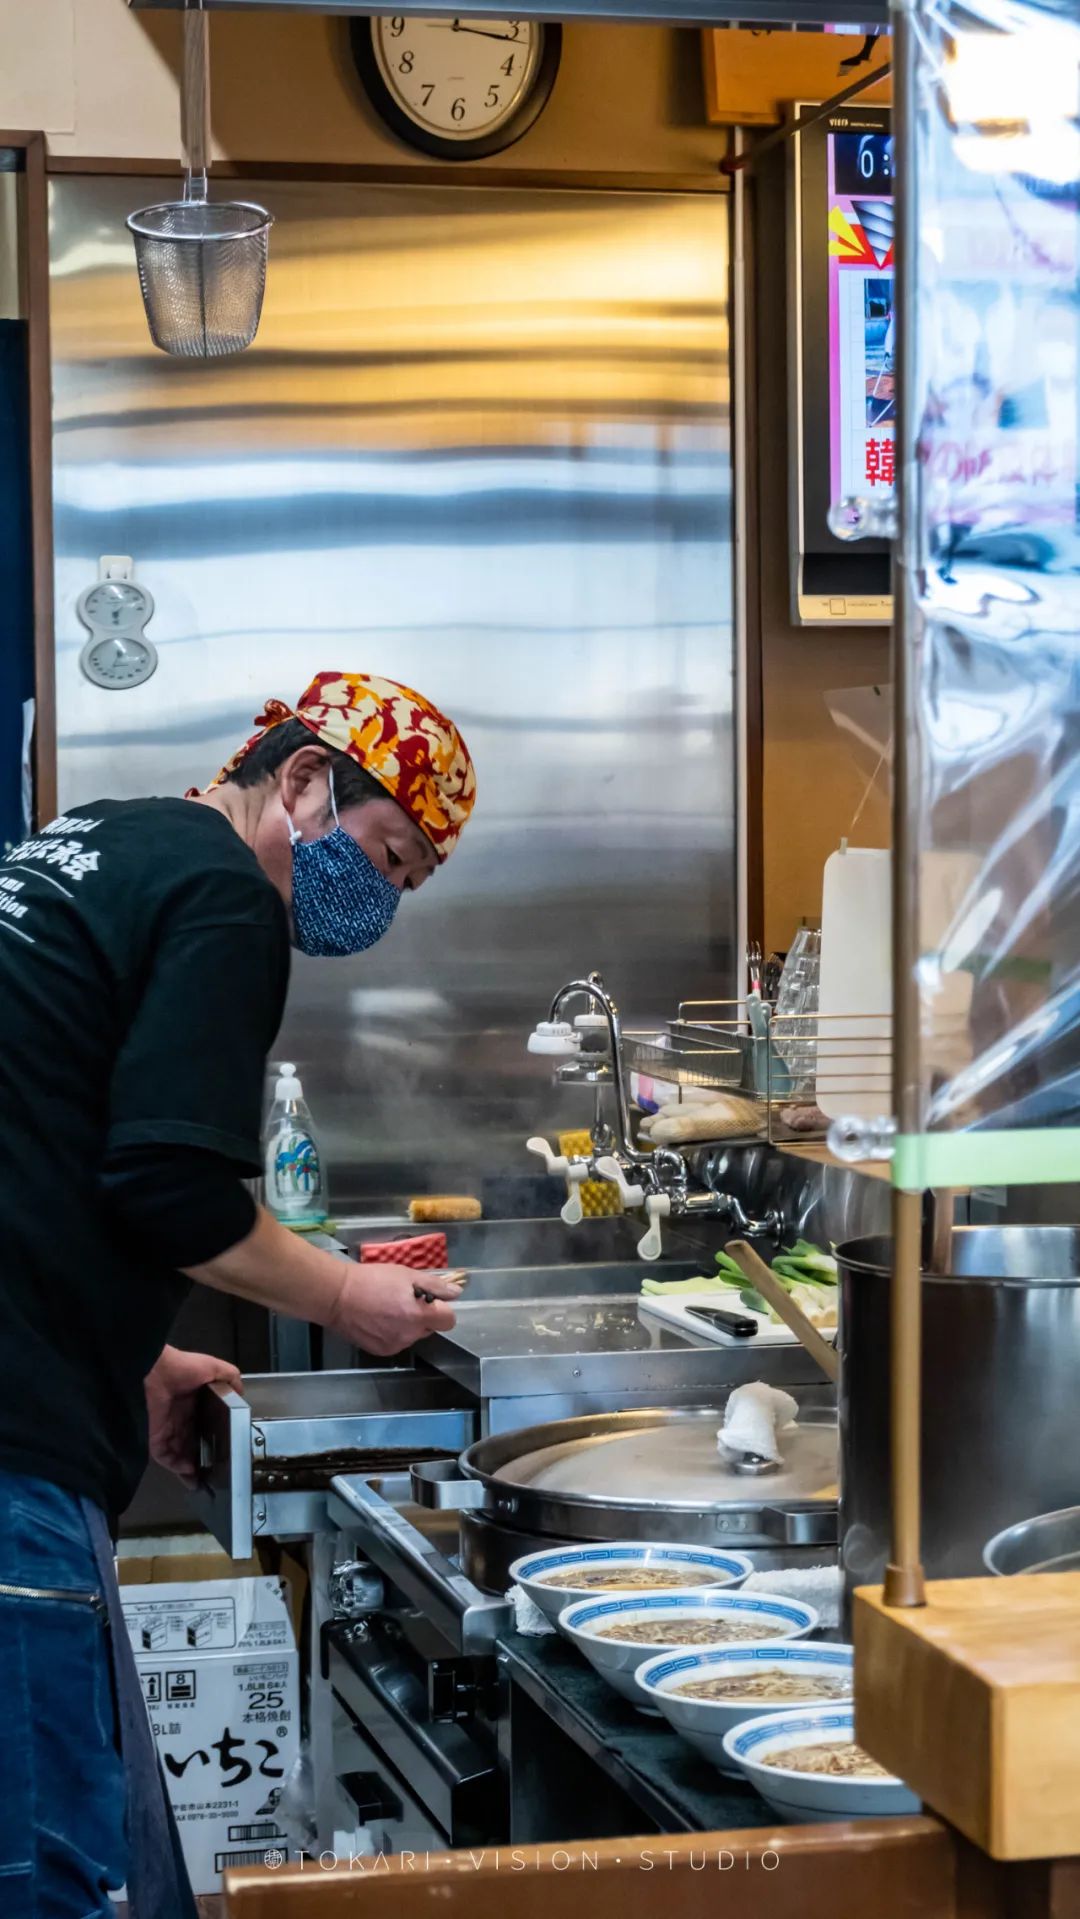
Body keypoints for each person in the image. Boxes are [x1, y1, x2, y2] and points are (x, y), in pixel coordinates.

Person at [0, 669, 476, 1917]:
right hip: (8, 1452)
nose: (375, 895)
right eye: (383, 853)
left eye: (404, 883)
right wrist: (339, 1293)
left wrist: (133, 1351)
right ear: (305, 781)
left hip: (28, 1375)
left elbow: (41, 1137)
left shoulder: (96, 839)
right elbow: (168, 1187)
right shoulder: (225, 893)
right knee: (57, 1874)